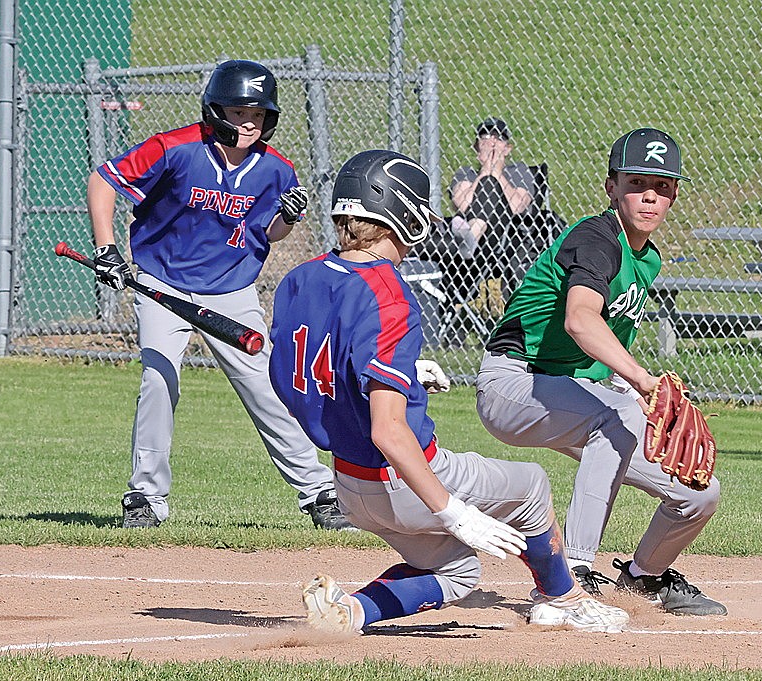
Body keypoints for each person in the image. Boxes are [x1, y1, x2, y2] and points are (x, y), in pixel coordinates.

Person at [268, 149, 630, 634]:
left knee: (458, 571)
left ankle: (347, 613)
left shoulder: (301, 277)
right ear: (402, 212)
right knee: (531, 487)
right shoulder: (390, 294)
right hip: (408, 476)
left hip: (349, 487)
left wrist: (404, 375)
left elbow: (318, 369)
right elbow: (388, 429)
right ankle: (561, 597)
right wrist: (452, 510)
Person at [87, 59, 353, 530]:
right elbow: (104, 181)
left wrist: (287, 218)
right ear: (215, 111)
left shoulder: (276, 171)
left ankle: (319, 493)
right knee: (158, 379)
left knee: (269, 387)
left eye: (258, 114)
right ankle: (146, 497)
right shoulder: (175, 148)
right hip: (160, 283)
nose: (249, 122)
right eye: (238, 112)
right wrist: (106, 249)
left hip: (231, 289)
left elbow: (269, 235)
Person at [475, 128, 727, 616]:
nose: (650, 195)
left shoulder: (646, 258)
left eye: (663, 185)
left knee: (698, 494)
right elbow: (579, 319)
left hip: (571, 394)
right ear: (611, 187)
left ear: (674, 194)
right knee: (617, 416)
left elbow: (596, 358)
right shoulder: (596, 238)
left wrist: (631, 394)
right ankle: (572, 578)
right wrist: (642, 382)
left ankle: (643, 578)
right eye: (637, 182)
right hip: (512, 382)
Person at [437, 117, 536, 344]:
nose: (491, 142)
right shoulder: (466, 174)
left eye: (498, 138)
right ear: (476, 147)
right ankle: (471, 235)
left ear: (508, 148)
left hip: (506, 239)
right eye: (485, 137)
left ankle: (472, 233)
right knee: (486, 184)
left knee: (490, 186)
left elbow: (517, 205)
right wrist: (485, 172)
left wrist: (495, 173)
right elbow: (461, 204)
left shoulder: (519, 172)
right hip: (472, 251)